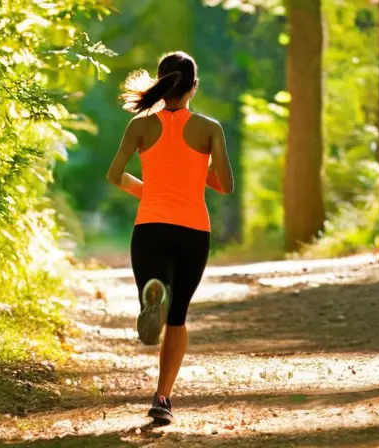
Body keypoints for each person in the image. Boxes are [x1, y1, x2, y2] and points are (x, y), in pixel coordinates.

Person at [106, 51, 234, 424]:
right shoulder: (210, 128)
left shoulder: (139, 126)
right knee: (178, 319)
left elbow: (115, 175)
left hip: (150, 228)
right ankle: (162, 398)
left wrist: (151, 191)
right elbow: (225, 186)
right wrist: (198, 168)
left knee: (160, 296)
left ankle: (153, 294)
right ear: (194, 86)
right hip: (193, 231)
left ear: (160, 84)